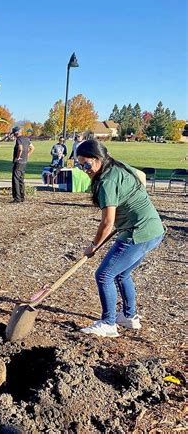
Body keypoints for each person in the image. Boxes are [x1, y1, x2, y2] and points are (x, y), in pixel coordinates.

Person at [77, 140, 164, 338]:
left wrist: (93, 246)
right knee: (121, 273)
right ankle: (128, 317)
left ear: (98, 159)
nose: (84, 169)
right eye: (80, 165)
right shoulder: (118, 166)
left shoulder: (107, 181)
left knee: (103, 275)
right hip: (153, 229)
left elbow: (107, 223)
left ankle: (108, 324)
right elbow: (140, 179)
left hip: (138, 233)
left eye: (87, 164)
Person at [11, 126, 34, 203]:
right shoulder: (27, 139)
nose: (14, 135)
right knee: (21, 179)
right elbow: (32, 148)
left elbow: (20, 148)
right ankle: (22, 197)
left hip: (18, 162)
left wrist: (18, 157)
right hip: (24, 162)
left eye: (14, 134)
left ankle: (17, 198)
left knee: (16, 179)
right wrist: (27, 156)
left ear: (16, 133)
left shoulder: (19, 139)